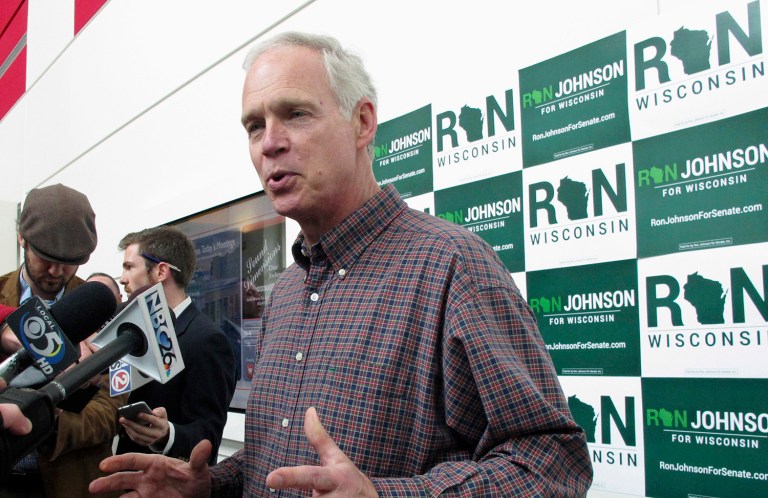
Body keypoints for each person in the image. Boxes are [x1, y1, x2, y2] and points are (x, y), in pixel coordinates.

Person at [91, 32, 593, 497]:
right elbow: (279, 457)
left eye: (296, 114)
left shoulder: (452, 266)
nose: (270, 142)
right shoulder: (286, 290)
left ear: (362, 122)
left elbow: (551, 462)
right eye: (254, 126)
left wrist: (387, 495)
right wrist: (210, 484)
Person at [0, 183, 126, 498]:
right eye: (45, 258)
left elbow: (113, 406)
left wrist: (48, 421)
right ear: (22, 241)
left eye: (70, 261)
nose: (56, 271)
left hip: (67, 482)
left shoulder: (102, 307)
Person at [114, 226, 236, 465]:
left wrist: (167, 435)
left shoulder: (207, 340)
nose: (122, 279)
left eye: (130, 267)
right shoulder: (131, 334)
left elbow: (208, 434)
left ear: (161, 271)